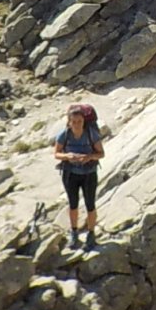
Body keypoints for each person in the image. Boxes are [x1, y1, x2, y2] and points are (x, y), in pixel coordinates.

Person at [53, 102, 105, 249]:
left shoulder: (91, 134)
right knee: (73, 204)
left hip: (89, 174)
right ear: (69, 122)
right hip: (70, 173)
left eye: (80, 122)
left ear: (84, 121)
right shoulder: (64, 134)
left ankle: (91, 233)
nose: (77, 125)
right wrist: (68, 155)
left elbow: (101, 153)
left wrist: (89, 157)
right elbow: (56, 154)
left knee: (90, 204)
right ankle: (74, 233)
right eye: (74, 122)